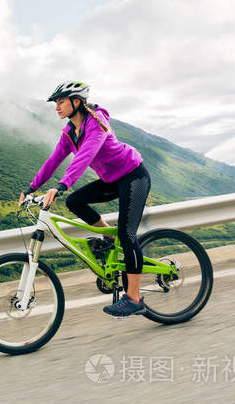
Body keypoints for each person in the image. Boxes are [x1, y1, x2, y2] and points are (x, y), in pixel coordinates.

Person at [18, 81, 151, 317]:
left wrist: (61, 186)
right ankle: (108, 240)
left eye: (61, 102)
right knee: (75, 202)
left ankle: (134, 298)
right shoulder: (70, 132)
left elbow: (85, 155)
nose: (57, 107)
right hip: (112, 180)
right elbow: (54, 160)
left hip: (133, 176)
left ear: (76, 102)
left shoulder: (97, 123)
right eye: (56, 103)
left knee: (127, 234)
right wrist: (32, 187)